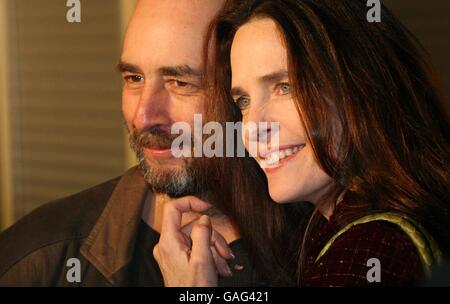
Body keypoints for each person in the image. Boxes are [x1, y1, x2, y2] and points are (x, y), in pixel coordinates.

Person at [155, 0, 450, 286]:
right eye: (243, 101)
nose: (253, 127)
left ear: (359, 88)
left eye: (285, 87)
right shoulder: (339, 229)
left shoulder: (368, 252)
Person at [0, 0, 272, 287]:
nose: (143, 116)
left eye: (180, 82)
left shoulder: (315, 251)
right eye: (134, 78)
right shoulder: (39, 260)